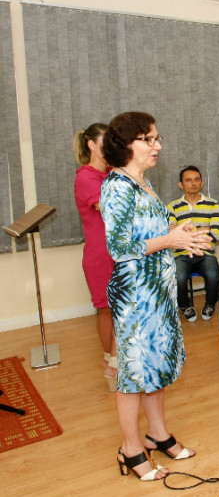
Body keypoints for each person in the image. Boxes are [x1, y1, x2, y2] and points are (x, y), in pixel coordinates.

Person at [100, 112, 211, 481]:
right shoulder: (117, 187)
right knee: (134, 374)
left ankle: (157, 435)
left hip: (157, 292)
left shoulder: (142, 182)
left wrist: (182, 233)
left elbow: (152, 230)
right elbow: (119, 248)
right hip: (136, 296)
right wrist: (170, 240)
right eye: (149, 139)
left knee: (156, 366)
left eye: (157, 138)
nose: (157, 145)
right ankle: (131, 450)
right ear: (126, 144)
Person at [73, 122, 117, 389]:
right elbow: (109, 208)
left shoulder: (113, 173)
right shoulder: (85, 177)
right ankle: (111, 362)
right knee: (107, 310)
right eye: (106, 142)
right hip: (101, 255)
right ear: (91, 145)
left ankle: (116, 361)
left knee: (123, 309)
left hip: (120, 251)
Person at [167, 166, 219, 323]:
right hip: (182, 254)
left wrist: (186, 231)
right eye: (188, 180)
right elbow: (172, 234)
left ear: (202, 183)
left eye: (197, 179)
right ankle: (185, 306)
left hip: (206, 252)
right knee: (178, 278)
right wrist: (202, 229)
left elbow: (216, 234)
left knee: (213, 276)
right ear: (181, 184)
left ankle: (210, 304)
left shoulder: (212, 204)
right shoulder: (172, 206)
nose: (193, 183)